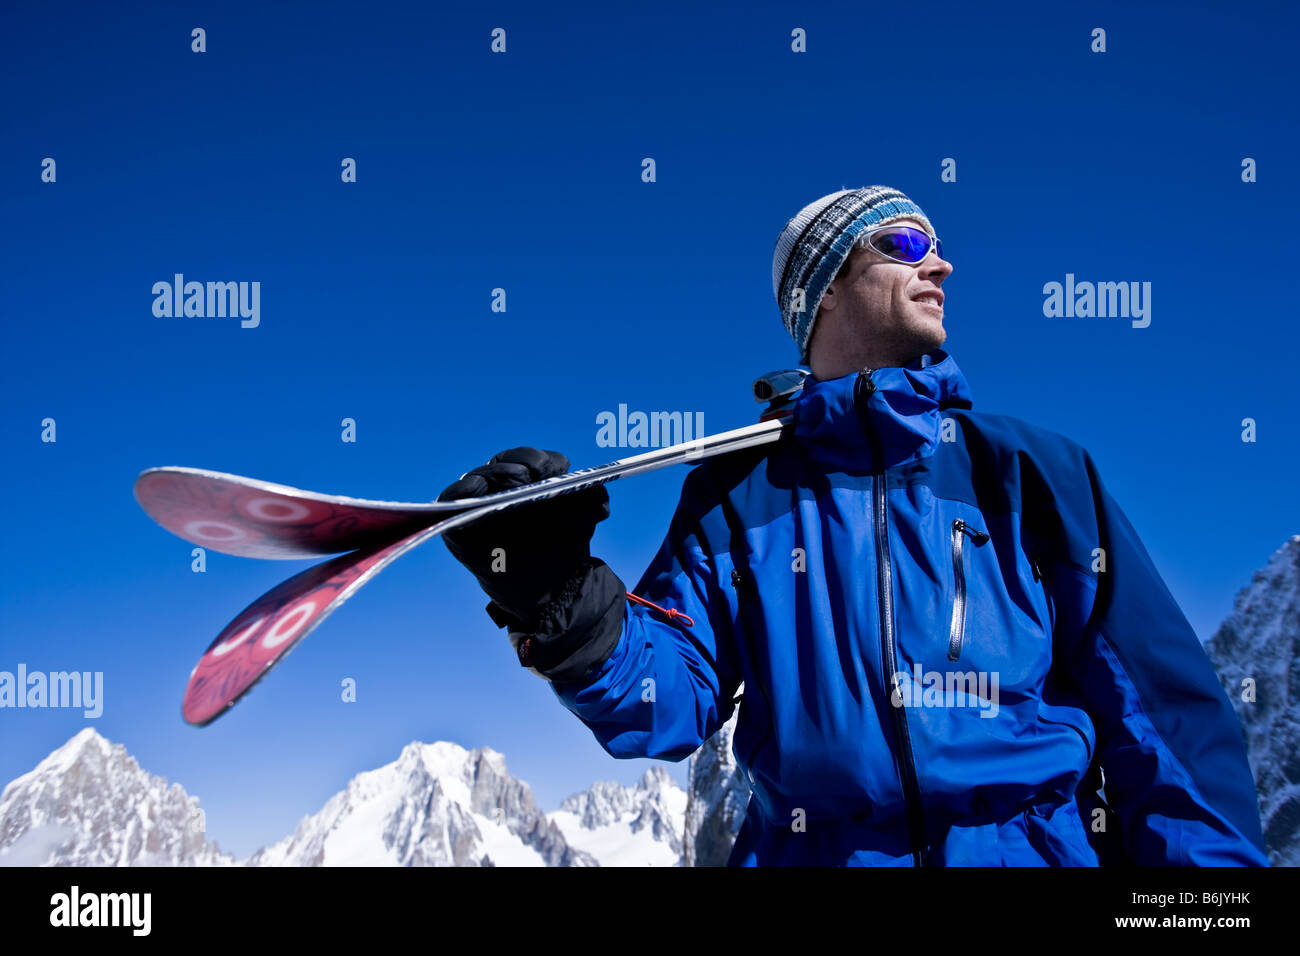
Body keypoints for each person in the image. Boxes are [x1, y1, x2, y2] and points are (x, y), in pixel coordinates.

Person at [438, 185, 1268, 867]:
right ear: (826, 286)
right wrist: (559, 597)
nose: (940, 261)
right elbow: (670, 702)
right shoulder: (738, 496)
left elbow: (1163, 718)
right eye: (905, 244)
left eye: (936, 244)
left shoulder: (1031, 474)